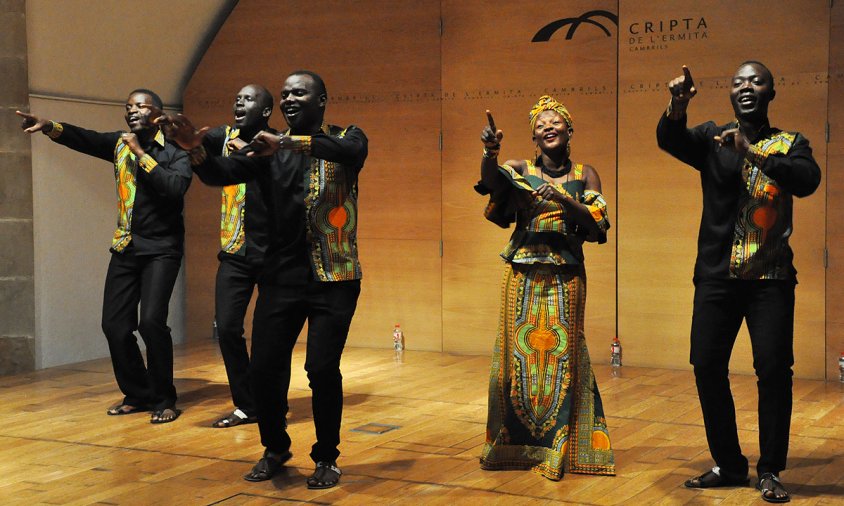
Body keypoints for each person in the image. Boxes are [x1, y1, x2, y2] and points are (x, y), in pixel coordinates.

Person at [158, 70, 367, 488]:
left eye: (299, 93)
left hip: (335, 276)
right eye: (285, 94)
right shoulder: (264, 151)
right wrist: (195, 152)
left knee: (322, 369)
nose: (289, 99)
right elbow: (221, 173)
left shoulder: (347, 136)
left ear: (321, 99)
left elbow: (347, 151)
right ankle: (275, 447)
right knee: (265, 370)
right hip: (282, 277)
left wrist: (285, 142)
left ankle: (327, 456)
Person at [657, 62, 821, 503]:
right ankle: (729, 464)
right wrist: (678, 104)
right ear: (730, 94)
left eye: (756, 81)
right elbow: (670, 139)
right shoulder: (713, 138)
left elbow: (807, 180)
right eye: (738, 82)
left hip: (771, 278)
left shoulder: (791, 143)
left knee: (772, 371)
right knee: (706, 365)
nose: (746, 87)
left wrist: (750, 151)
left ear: (771, 91)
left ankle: (770, 469)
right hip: (716, 276)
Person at [16, 90, 192, 424]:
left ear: (157, 112)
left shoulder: (175, 148)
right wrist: (48, 125)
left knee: (151, 322)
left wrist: (142, 154)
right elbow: (85, 139)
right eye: (128, 107)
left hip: (161, 249)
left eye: (140, 106)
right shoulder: (119, 143)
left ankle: (164, 398)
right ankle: (138, 393)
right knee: (113, 324)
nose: (132, 111)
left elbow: (175, 188)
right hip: (126, 245)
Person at [476, 96, 615, 481]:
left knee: (563, 357)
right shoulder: (519, 167)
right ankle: (510, 445)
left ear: (570, 131)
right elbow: (491, 182)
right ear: (533, 137)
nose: (548, 127)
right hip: (520, 272)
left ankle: (560, 448)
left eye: (556, 122)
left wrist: (564, 200)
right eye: (540, 124)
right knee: (516, 358)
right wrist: (490, 152)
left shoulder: (586, 174)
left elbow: (599, 221)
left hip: (567, 275)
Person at [193, 84, 274, 429]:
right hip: (234, 252)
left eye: (248, 98)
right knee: (227, 328)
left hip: (272, 254)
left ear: (266, 110)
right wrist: (183, 138)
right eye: (236, 97)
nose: (239, 102)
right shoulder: (222, 137)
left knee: (270, 337)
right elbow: (200, 150)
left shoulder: (277, 143)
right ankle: (247, 405)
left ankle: (272, 402)